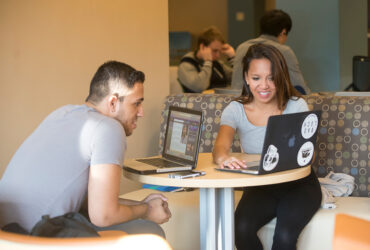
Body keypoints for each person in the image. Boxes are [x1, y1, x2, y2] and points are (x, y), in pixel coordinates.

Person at [0, 61, 171, 237]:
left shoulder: (62, 113)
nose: (141, 112)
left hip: (6, 234)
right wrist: (147, 211)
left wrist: (141, 205)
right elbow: (103, 215)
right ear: (112, 103)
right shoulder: (108, 128)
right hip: (34, 237)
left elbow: (88, 201)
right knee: (150, 232)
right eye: (136, 103)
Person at [213, 44, 321, 250]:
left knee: (285, 237)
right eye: (256, 78)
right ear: (246, 77)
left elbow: (310, 155)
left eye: (271, 78)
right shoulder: (235, 109)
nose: (264, 85)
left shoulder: (296, 105)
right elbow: (220, 146)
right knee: (240, 229)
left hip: (299, 186)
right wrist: (222, 158)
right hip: (262, 187)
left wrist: (306, 152)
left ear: (281, 77)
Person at [231, 9, 311, 95]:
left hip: (238, 101)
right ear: (283, 32)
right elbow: (300, 88)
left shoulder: (241, 47)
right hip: (266, 102)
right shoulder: (284, 51)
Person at [178, 26, 235, 93]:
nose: (218, 55)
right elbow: (199, 87)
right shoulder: (186, 64)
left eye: (219, 51)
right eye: (214, 51)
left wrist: (233, 59)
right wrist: (208, 62)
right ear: (202, 47)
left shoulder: (217, 63)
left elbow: (240, 82)